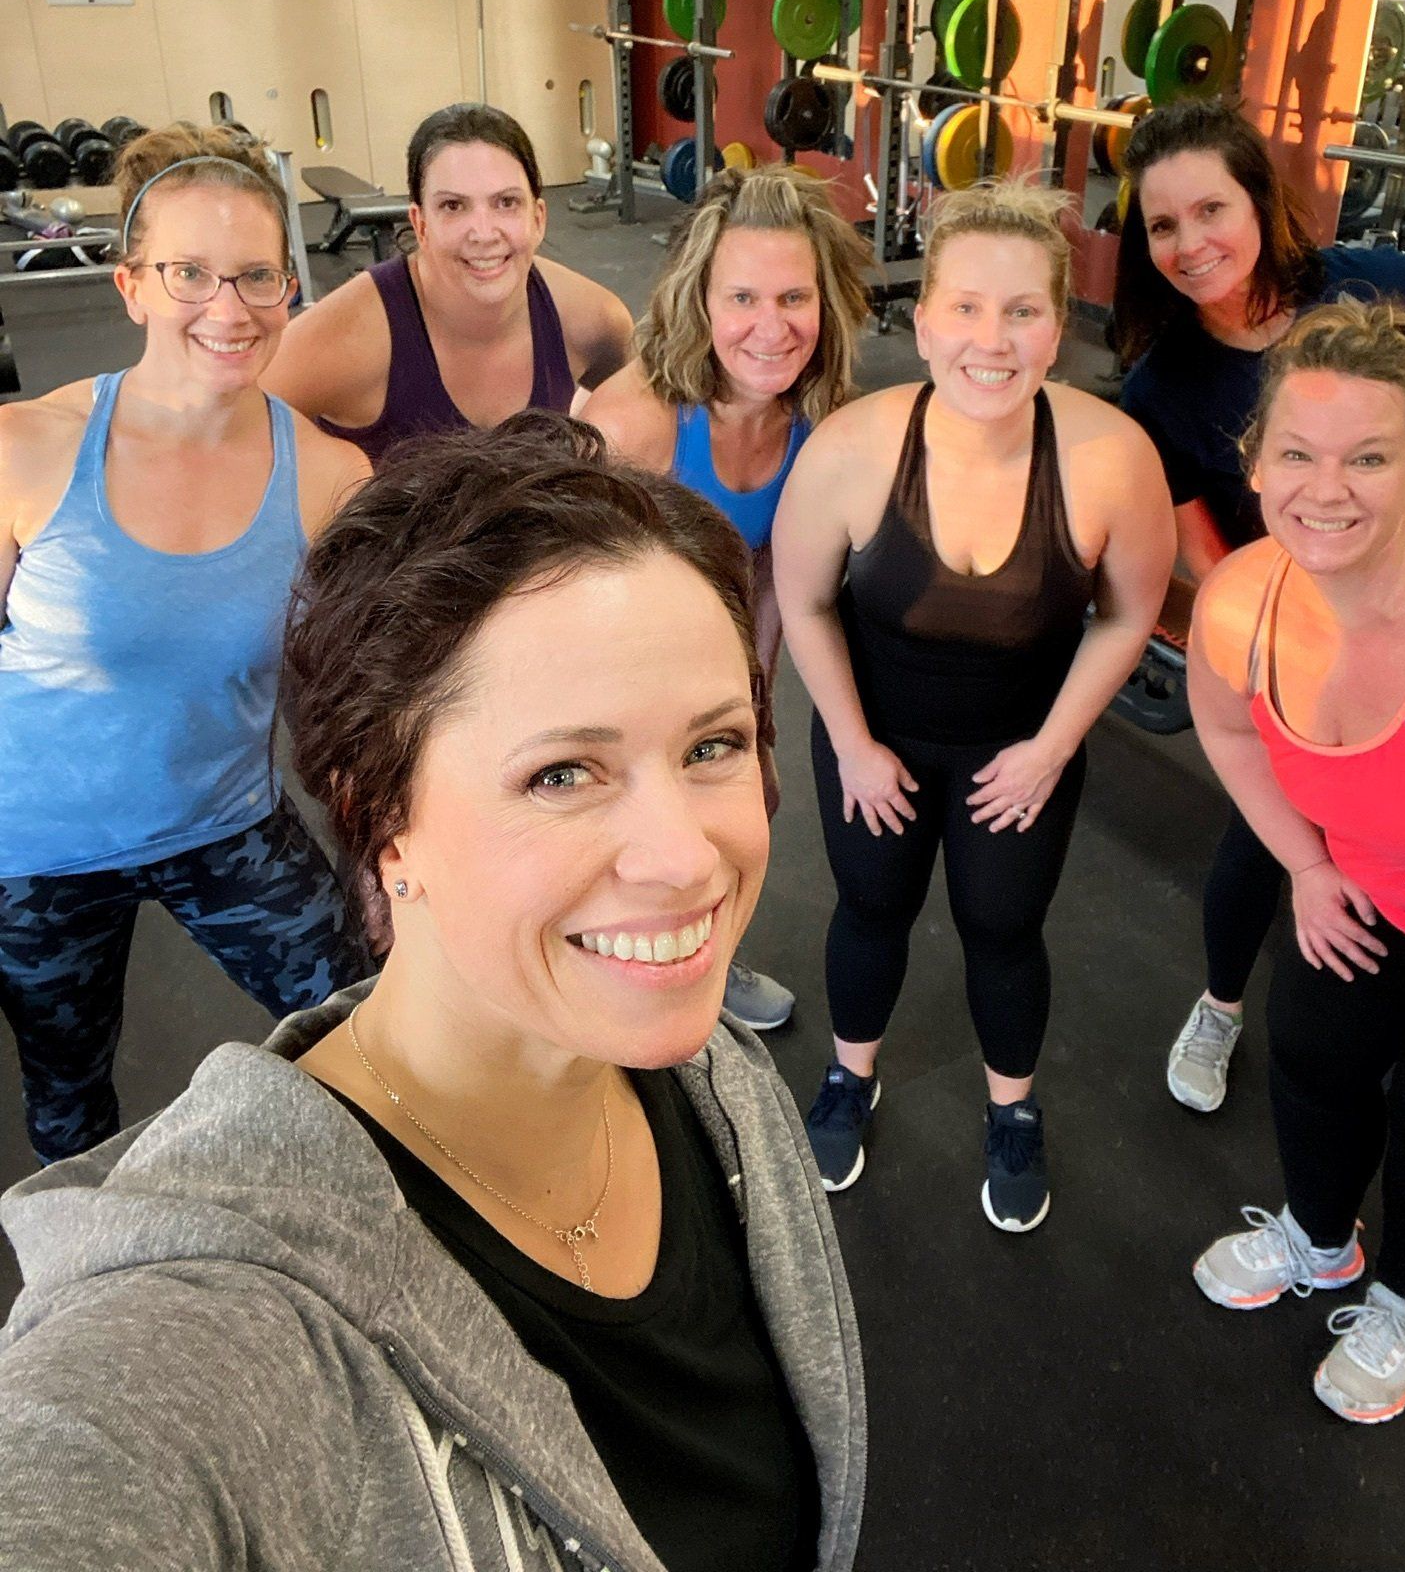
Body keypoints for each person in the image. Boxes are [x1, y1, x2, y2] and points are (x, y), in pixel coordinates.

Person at [0, 414, 866, 1571]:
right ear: (381, 816)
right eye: (564, 770)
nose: (690, 857)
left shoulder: (727, 1087)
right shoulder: (210, 1327)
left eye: (712, 745)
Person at [774, 180, 1175, 1228]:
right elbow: (804, 602)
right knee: (872, 906)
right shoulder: (853, 448)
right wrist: (854, 744)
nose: (990, 340)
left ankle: (1014, 1108)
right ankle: (850, 1077)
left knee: (1003, 925)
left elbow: (1127, 616)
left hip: (1020, 745)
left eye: (1023, 311)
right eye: (965, 307)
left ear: (1060, 322)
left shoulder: (1111, 458)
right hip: (877, 735)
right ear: (922, 316)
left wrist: (1049, 748)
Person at [1186, 300, 1405, 1424]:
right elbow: (1235, 734)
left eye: (1369, 456)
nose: (1324, 488)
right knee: (1313, 1060)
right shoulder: (1242, 597)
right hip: (1369, 893)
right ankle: (1320, 1241)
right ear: (1255, 460)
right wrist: (1306, 864)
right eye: (1296, 451)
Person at [0, 123, 373, 1166]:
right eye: (190, 273)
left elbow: (338, 691)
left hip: (224, 819)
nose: (229, 306)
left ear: (291, 289)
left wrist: (380, 848)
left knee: (364, 1015)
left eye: (258, 275)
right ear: (131, 286)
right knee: (67, 1094)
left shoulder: (331, 475)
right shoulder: (26, 447)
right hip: (34, 853)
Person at [1114, 101, 1405, 1114]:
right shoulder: (1163, 383)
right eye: (1163, 225)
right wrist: (1260, 622)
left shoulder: (1386, 284)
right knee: (1270, 834)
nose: (1191, 243)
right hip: (1296, 630)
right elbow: (1200, 538)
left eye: (1210, 208)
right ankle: (1222, 1002)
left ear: (1258, 200)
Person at [584, 163, 871, 1034]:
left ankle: (699, 961)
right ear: (700, 301)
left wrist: (755, 719)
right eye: (743, 297)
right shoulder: (638, 421)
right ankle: (596, 988)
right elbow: (566, 596)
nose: (771, 328)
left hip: (712, 666)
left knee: (750, 802)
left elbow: (777, 582)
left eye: (794, 299)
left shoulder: (815, 423)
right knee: (621, 836)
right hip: (609, 669)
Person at [265, 103, 632, 460]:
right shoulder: (351, 337)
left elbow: (650, 422)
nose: (484, 233)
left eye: (506, 202)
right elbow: (224, 428)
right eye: (453, 206)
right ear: (420, 223)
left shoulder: (592, 321)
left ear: (538, 218)